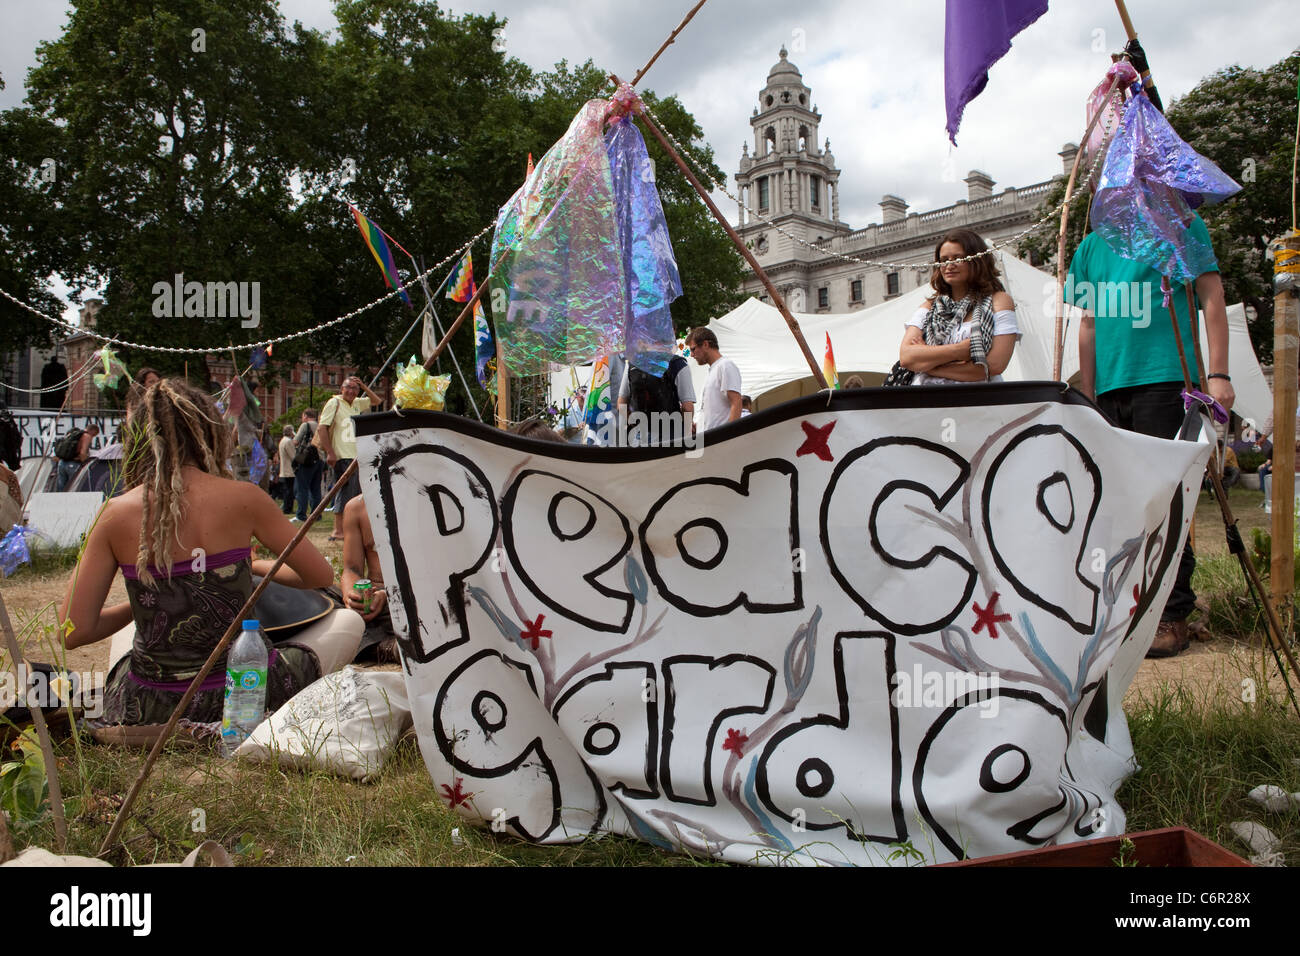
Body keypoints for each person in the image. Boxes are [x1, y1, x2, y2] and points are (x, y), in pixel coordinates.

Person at [58, 379, 364, 728]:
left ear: (139, 440)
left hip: (149, 703)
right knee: (349, 621)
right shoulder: (245, 498)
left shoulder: (115, 512)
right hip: (246, 695)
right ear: (209, 433)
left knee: (126, 634)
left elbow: (73, 632)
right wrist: (256, 566)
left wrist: (149, 600)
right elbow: (319, 577)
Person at [1067, 210, 1234, 658]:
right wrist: (1089, 395)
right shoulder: (1091, 245)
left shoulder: (1178, 223)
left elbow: (1210, 294)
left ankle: (1172, 612)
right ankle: (1126, 609)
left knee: (1165, 499)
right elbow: (1088, 322)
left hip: (1165, 378)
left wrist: (1217, 374)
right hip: (1110, 387)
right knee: (1118, 503)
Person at [899, 229, 1018, 385]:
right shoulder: (930, 306)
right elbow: (907, 357)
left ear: (977, 260)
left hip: (977, 401)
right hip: (927, 400)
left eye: (958, 258)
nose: (949, 265)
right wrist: (959, 351)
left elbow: (994, 365)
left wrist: (930, 366)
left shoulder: (999, 301)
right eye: (944, 260)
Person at [318, 374, 380, 541]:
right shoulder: (335, 402)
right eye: (348, 387)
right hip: (342, 455)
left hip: (356, 455)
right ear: (341, 389)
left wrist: (364, 386)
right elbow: (322, 428)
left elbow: (376, 401)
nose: (351, 391)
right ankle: (338, 530)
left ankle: (351, 528)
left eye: (354, 388)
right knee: (345, 493)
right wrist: (330, 452)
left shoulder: (357, 404)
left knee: (356, 494)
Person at [617, 352, 695, 445]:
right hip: (671, 434)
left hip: (640, 435)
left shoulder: (632, 364)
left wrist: (633, 420)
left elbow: (621, 404)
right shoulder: (677, 363)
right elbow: (687, 407)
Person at [687, 328, 742, 431]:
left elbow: (736, 402)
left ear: (705, 345)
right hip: (710, 441)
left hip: (721, 441)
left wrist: (729, 435)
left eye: (693, 349)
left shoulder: (725, 365)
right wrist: (699, 425)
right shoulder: (714, 369)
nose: (691, 354)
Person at [293, 408, 323, 522]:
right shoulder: (321, 426)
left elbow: (296, 441)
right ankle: (316, 515)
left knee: (303, 488)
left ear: (305, 416)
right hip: (319, 459)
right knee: (316, 489)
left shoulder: (305, 425)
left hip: (307, 460)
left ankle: (301, 515)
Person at [55, 423, 98, 491]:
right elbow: (82, 453)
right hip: (73, 463)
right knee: (74, 488)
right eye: (94, 435)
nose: (93, 437)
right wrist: (85, 464)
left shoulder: (73, 433)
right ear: (93, 431)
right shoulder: (87, 436)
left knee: (61, 489)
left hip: (62, 462)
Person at [276, 424, 297, 515]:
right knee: (289, 491)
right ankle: (288, 508)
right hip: (289, 470)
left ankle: (287, 507)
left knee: (287, 490)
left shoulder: (282, 441)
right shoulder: (288, 442)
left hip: (284, 469)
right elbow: (293, 456)